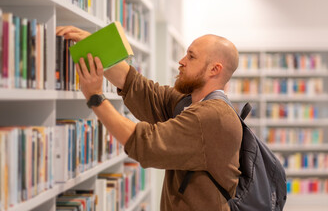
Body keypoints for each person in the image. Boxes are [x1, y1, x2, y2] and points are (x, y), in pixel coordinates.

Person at [56, 26, 243, 211]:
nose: (181, 61)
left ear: (214, 69)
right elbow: (138, 87)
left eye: (191, 57)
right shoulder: (190, 102)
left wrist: (96, 98)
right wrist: (94, 47)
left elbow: (146, 143)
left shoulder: (214, 116)